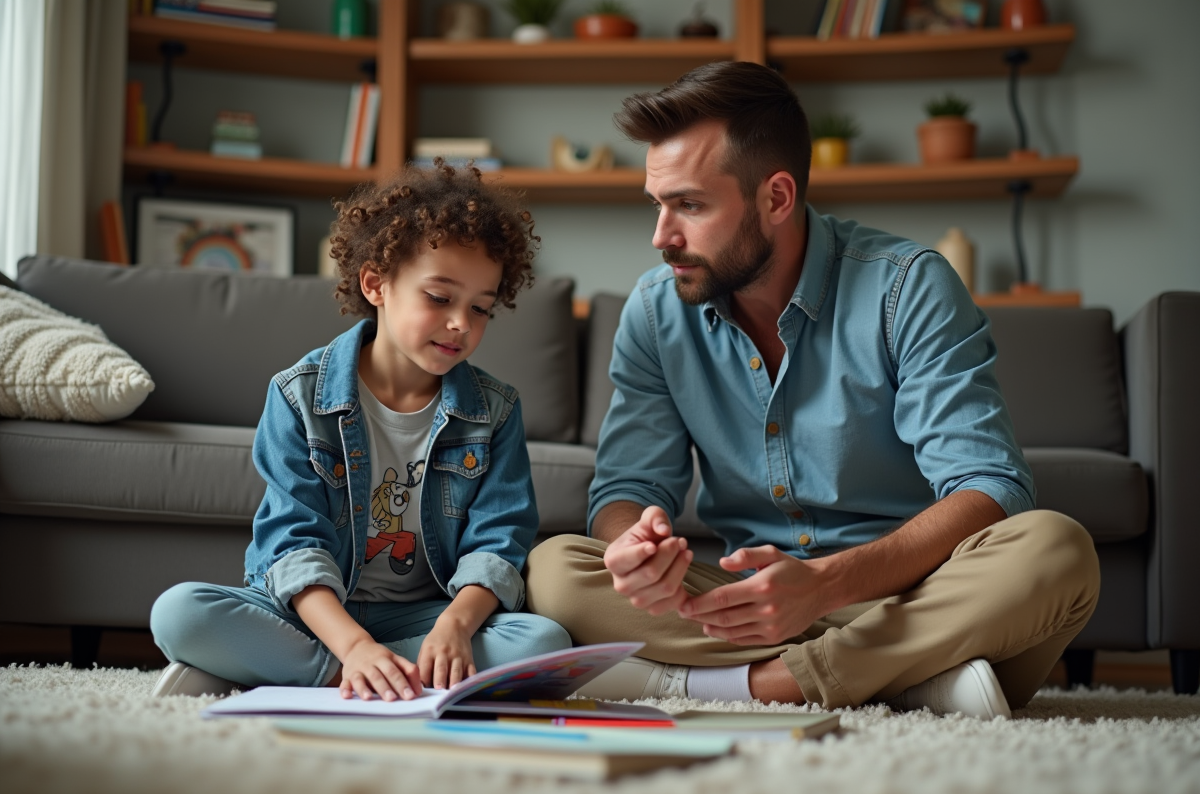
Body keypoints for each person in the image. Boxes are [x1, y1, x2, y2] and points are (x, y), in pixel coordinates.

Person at [524, 62, 1100, 720]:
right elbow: (627, 487)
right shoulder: (655, 314)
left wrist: (824, 587)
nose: (662, 237)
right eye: (657, 205)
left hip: (910, 595)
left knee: (1056, 550)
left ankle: (745, 686)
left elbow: (989, 487)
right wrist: (634, 547)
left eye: (690, 205)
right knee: (556, 572)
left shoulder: (907, 287)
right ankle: (913, 679)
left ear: (776, 198)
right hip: (755, 610)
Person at [151, 162, 571, 699]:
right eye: (439, 297)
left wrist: (454, 627)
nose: (461, 324)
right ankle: (363, 672)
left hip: (427, 616)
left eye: (481, 308)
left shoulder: (496, 411)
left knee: (544, 641)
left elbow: (498, 542)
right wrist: (352, 646)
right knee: (180, 612)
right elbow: (292, 543)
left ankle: (304, 670)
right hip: (318, 615)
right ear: (376, 283)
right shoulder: (297, 396)